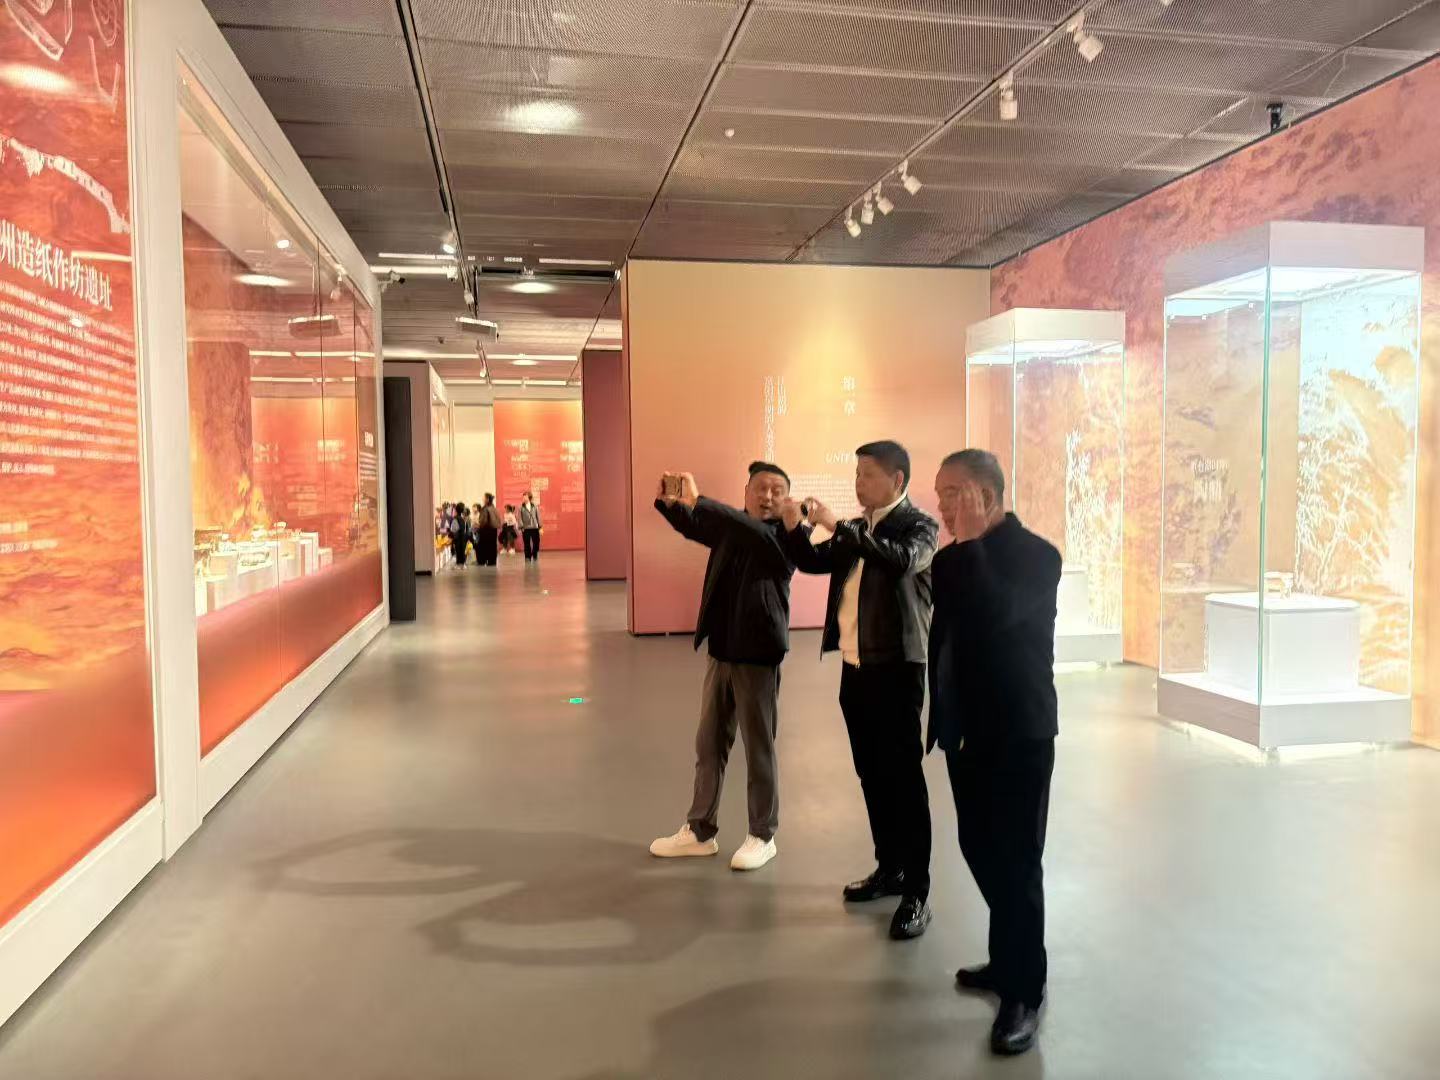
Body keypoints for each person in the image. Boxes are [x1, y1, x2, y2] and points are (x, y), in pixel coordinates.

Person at [928, 449, 1062, 1057]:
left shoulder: (1038, 557)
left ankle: (1024, 989)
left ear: (986, 494)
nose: (942, 505)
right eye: (939, 494)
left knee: (1017, 861)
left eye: (951, 492)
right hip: (966, 732)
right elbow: (949, 642)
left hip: (1019, 732)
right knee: (978, 846)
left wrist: (973, 542)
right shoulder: (949, 560)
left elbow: (997, 614)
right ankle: (1007, 957)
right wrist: (940, 717)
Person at [781, 440, 938, 940]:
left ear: (897, 480)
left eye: (867, 474)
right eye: (856, 474)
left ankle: (917, 891)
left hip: (898, 669)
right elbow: (813, 562)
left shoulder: (919, 527)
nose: (858, 483)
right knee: (872, 773)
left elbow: (902, 561)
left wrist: (841, 527)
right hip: (856, 668)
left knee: (904, 781)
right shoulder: (859, 528)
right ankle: (890, 868)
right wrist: (795, 527)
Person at [649, 463, 797, 872]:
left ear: (786, 499)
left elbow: (748, 530)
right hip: (722, 652)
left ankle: (763, 834)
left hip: (758, 658)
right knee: (709, 744)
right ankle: (700, 830)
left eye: (777, 490)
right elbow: (698, 527)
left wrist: (700, 499)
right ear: (746, 491)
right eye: (761, 488)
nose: (768, 497)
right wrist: (670, 504)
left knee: (759, 748)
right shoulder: (734, 529)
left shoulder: (784, 538)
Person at [473, 495, 500, 566]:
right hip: (494, 530)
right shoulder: (494, 508)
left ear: (487, 499)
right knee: (492, 546)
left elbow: (483, 521)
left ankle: (482, 561)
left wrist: (479, 525)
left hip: (486, 530)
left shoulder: (485, 508)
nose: (483, 499)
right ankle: (492, 561)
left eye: (484, 498)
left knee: (483, 546)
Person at [519, 493, 543, 562]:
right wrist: (521, 527)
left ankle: (534, 553)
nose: (524, 498)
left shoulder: (535, 506)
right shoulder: (521, 507)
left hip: (535, 527)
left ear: (529, 497)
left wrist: (540, 527)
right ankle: (527, 557)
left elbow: (538, 516)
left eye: (525, 497)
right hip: (525, 528)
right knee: (526, 543)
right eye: (523, 497)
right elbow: (519, 518)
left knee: (536, 543)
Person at [450, 504, 470, 568]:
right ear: (462, 510)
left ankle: (459, 564)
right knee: (462, 550)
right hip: (462, 537)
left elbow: (453, 529)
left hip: (458, 538)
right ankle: (462, 564)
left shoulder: (456, 518)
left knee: (459, 551)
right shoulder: (461, 518)